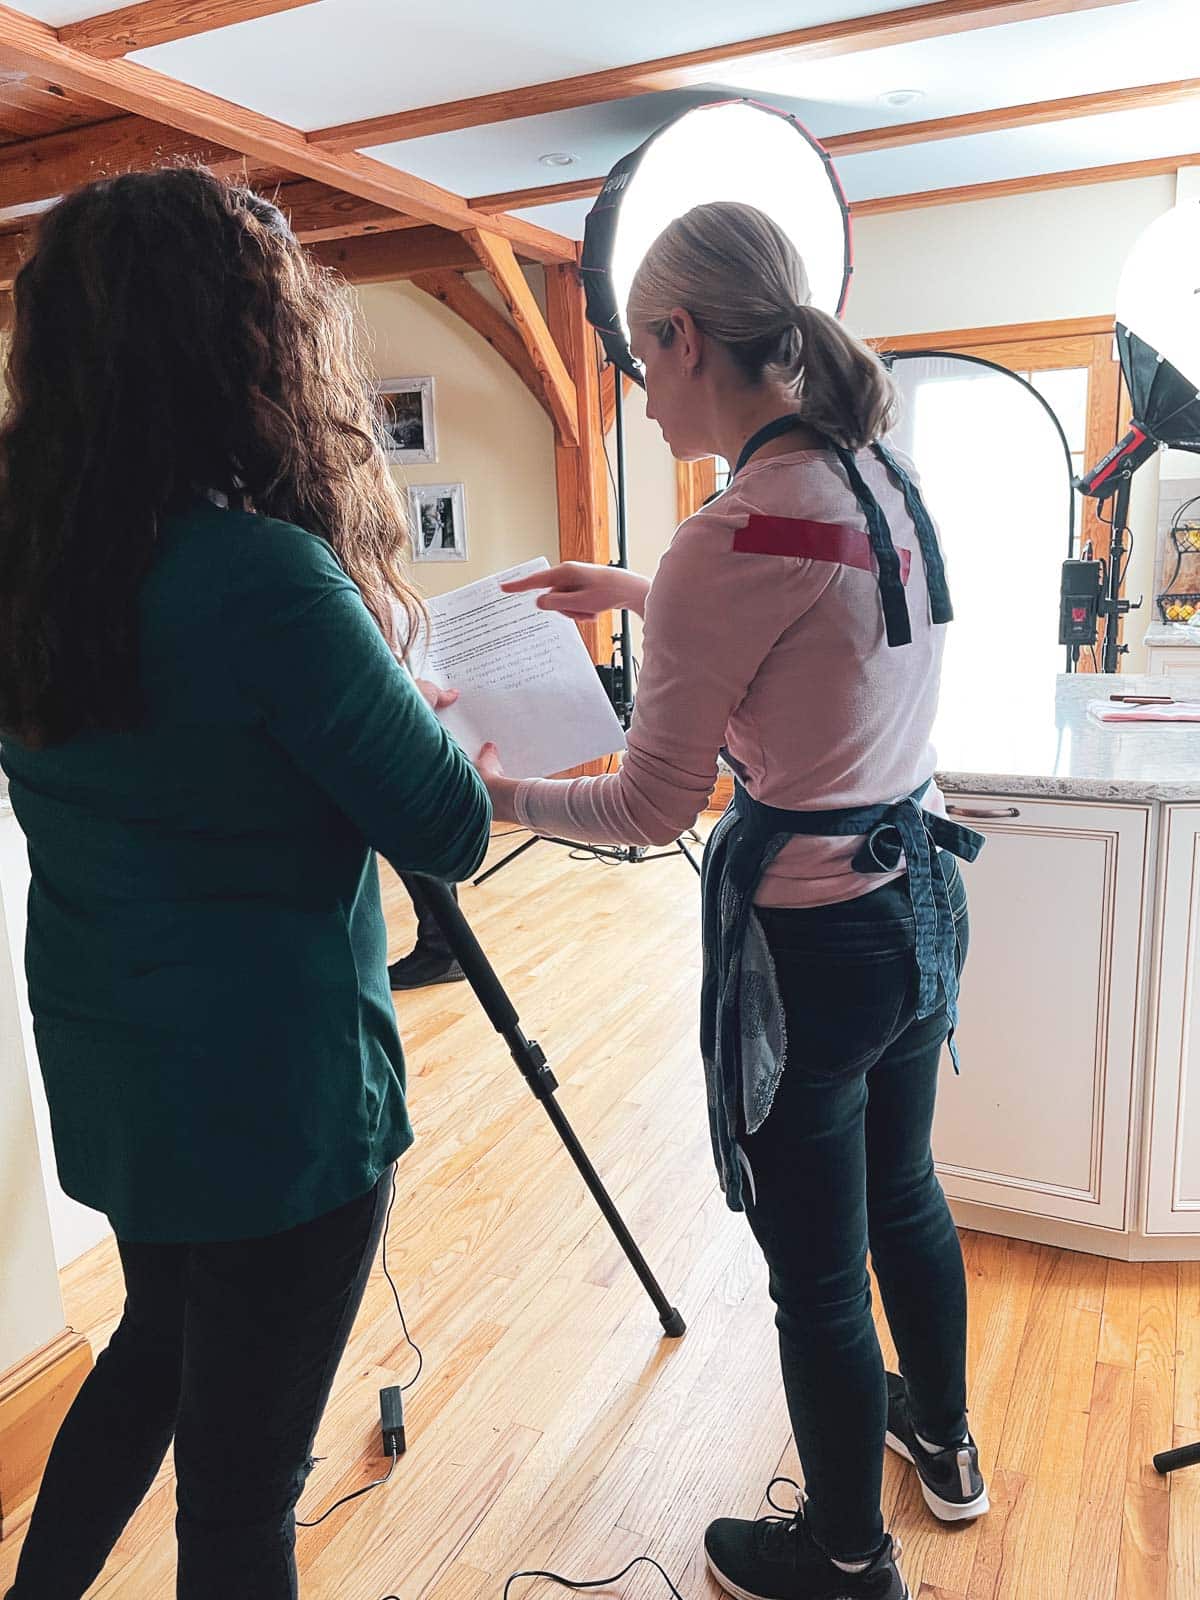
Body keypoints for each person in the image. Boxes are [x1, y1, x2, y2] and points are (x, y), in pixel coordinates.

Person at [477, 201, 987, 1600]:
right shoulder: (883, 473)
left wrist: (495, 797)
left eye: (639, 363)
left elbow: (651, 808)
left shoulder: (733, 531)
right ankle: (943, 1443)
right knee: (906, 1191)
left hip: (814, 941)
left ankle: (843, 1560)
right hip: (924, 901)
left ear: (682, 338)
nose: (638, 397)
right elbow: (831, 620)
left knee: (815, 1274)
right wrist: (648, 590)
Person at [0, 167, 491, 1599]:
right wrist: (401, 689)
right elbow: (446, 826)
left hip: (116, 1065)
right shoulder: (265, 575)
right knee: (241, 1494)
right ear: (242, 344)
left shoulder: (28, 565)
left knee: (158, 1342)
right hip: (276, 1102)